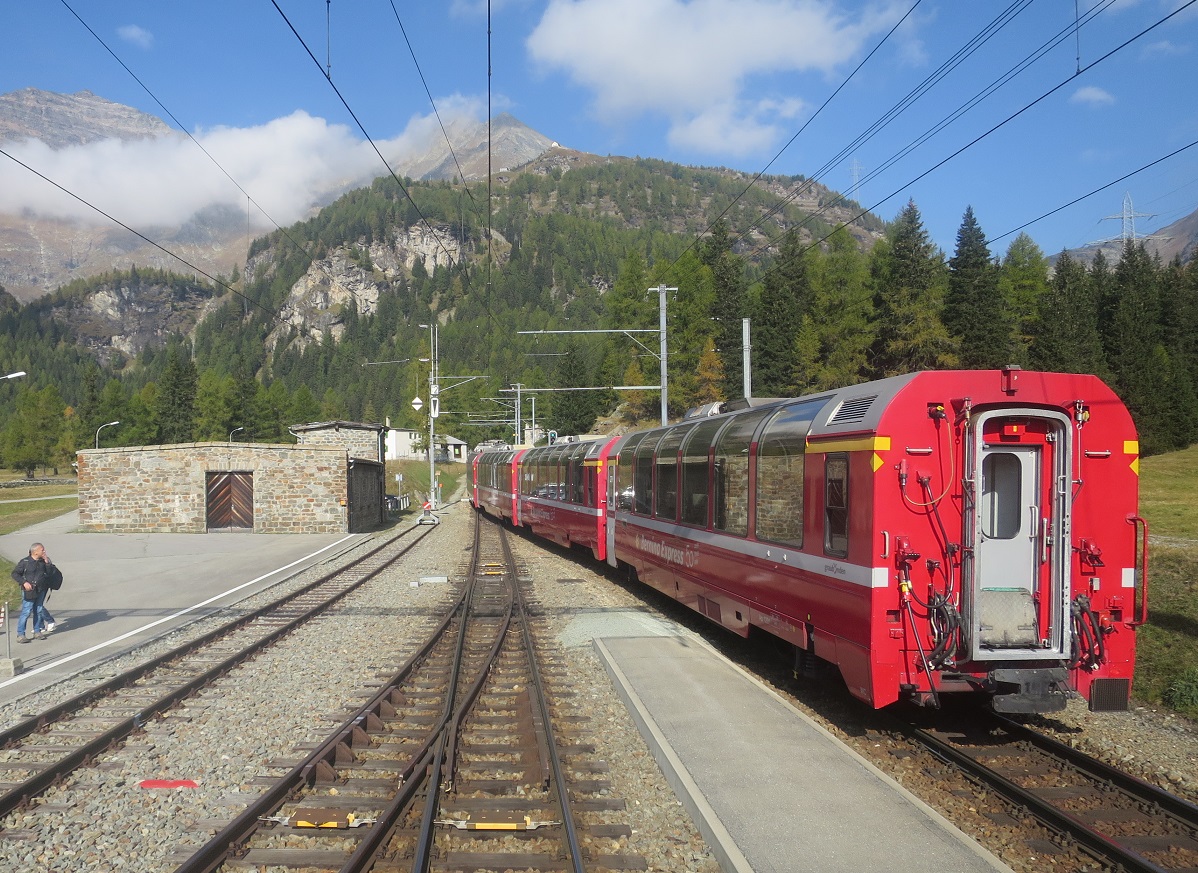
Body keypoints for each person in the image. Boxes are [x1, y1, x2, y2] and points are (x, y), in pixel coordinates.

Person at [12, 542, 56, 643]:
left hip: (41, 589)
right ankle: (21, 634)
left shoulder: (44, 562)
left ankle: (37, 631)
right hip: (29, 591)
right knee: (26, 611)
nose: (44, 551)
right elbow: (15, 574)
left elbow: (50, 574)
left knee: (39, 610)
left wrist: (47, 563)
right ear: (35, 552)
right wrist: (24, 582)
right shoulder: (25, 562)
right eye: (42, 550)